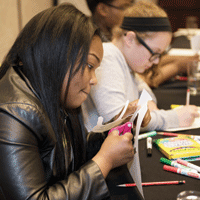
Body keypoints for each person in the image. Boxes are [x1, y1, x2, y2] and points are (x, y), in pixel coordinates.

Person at [0, 3, 151, 199]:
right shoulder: (14, 112)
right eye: (89, 65)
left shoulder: (54, 91)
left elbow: (71, 158)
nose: (94, 79)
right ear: (58, 55)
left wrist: (119, 128)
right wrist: (104, 160)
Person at [82, 1, 199, 133]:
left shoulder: (126, 61)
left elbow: (145, 92)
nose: (156, 62)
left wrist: (150, 110)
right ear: (130, 39)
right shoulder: (107, 59)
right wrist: (174, 118)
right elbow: (119, 120)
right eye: (154, 53)